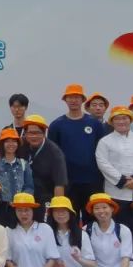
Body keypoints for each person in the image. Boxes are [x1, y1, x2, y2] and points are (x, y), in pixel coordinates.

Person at [48, 84, 106, 223]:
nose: (73, 100)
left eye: (77, 97)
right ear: (65, 100)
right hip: (68, 182)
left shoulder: (95, 124)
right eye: (70, 97)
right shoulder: (57, 125)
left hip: (92, 181)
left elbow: (102, 151)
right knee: (70, 220)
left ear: (83, 100)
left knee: (92, 220)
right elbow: (53, 155)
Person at [95, 106, 133, 223]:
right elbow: (103, 163)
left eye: (124, 118)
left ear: (130, 120)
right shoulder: (104, 141)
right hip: (116, 192)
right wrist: (122, 180)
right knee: (121, 225)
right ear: (112, 122)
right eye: (117, 119)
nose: (121, 121)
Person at [20, 115, 66, 222]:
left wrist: (57, 208)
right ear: (25, 134)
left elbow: (59, 184)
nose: (34, 136)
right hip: (24, 197)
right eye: (30, 133)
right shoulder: (20, 145)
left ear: (44, 133)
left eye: (37, 133)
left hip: (46, 197)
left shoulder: (55, 152)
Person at [0, 129, 34, 228]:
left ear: (18, 144)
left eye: (14, 141)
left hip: (20, 209)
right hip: (1, 209)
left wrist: (21, 200)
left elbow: (29, 187)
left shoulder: (24, 164)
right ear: (2, 144)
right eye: (7, 141)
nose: (11, 144)